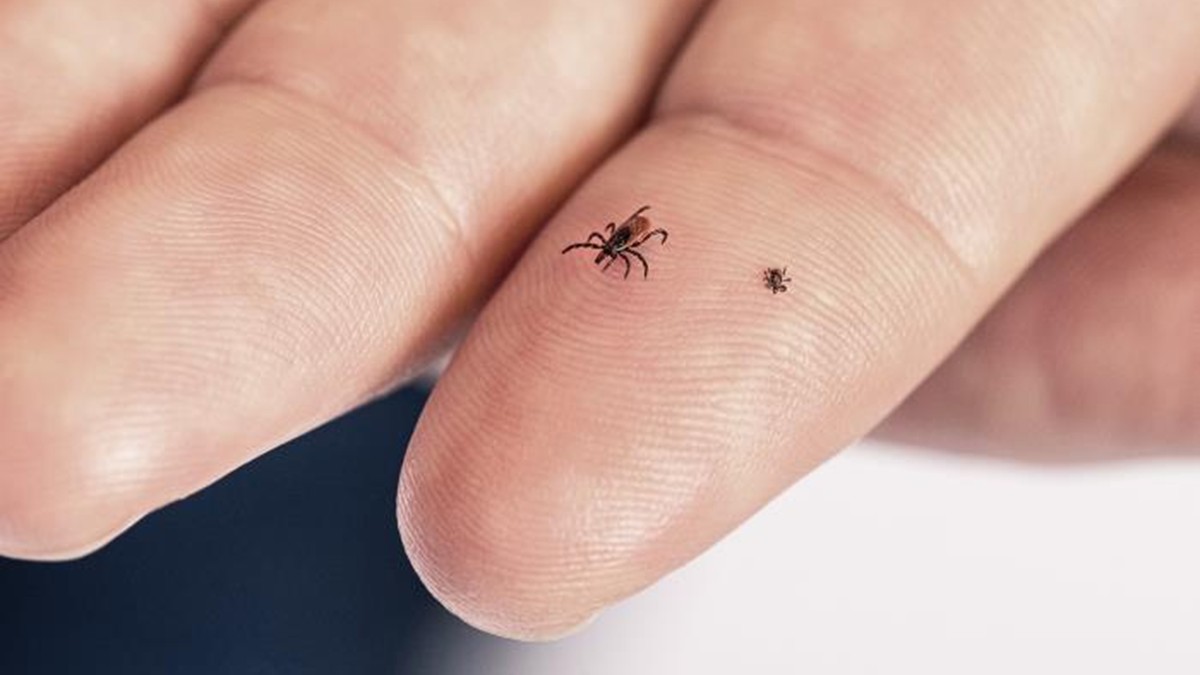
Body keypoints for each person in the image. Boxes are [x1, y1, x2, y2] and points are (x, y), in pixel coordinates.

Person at [0, 0, 1196, 642]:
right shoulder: (620, 234)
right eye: (621, 243)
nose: (620, 246)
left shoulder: (620, 235)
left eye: (623, 242)